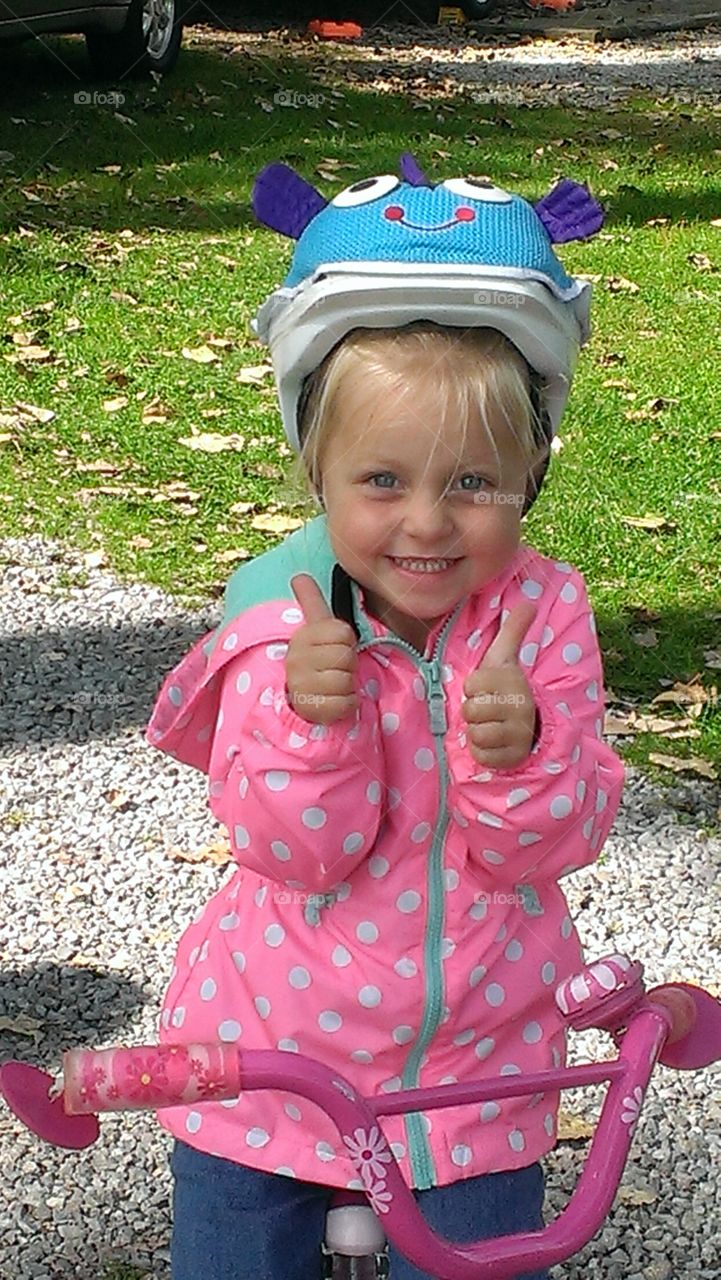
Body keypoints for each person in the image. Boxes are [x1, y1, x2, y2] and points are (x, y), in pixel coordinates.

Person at [145, 152, 625, 1280]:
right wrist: (314, 724)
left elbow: (552, 843)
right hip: (270, 1060)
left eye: (471, 483)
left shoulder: (543, 611)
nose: (426, 522)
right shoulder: (281, 612)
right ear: (316, 468)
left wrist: (524, 751)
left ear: (529, 478)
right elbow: (291, 847)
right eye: (381, 480)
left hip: (475, 1077)